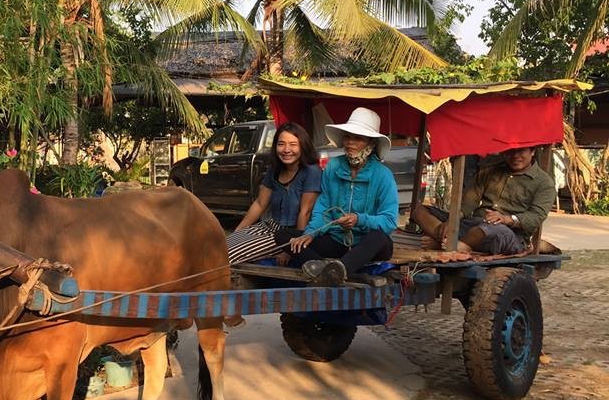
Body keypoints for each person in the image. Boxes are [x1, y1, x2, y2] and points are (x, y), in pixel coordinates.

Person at [275, 107, 398, 285]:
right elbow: (322, 209)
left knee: (379, 238)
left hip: (366, 246)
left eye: (358, 138)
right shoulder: (333, 167)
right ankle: (336, 271)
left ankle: (336, 269)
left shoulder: (383, 175)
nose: (350, 143)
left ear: (371, 144)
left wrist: (359, 219)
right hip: (336, 241)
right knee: (284, 236)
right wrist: (310, 234)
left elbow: (389, 221)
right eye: (348, 137)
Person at [412, 147, 556, 254]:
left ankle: (447, 244)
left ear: (532, 152)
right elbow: (471, 200)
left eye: (521, 151)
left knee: (490, 228)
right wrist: (454, 218)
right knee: (419, 210)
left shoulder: (544, 183)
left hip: (509, 235)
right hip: (475, 224)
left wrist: (506, 219)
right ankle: (453, 242)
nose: (515, 156)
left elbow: (536, 216)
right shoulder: (491, 171)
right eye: (510, 151)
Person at [225, 122, 322, 265]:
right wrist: (238, 230)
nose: (286, 149)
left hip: (289, 234)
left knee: (229, 255)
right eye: (281, 144)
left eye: (293, 144)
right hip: (268, 226)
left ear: (303, 146)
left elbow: (305, 212)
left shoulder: (311, 171)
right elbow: (259, 203)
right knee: (221, 245)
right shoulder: (275, 169)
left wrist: (290, 248)